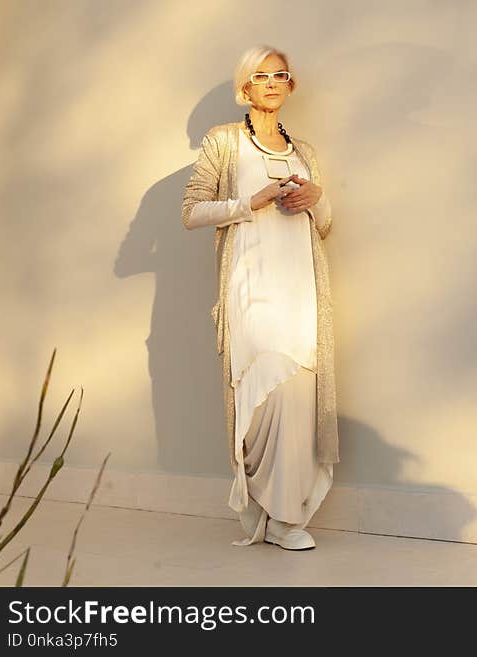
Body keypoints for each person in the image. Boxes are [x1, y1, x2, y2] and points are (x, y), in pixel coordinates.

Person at [181, 45, 340, 550]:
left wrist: (317, 199)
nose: (272, 82)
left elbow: (327, 224)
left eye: (281, 75)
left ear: (289, 86)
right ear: (244, 87)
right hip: (250, 286)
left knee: (297, 395)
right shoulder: (224, 142)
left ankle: (287, 518)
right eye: (261, 75)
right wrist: (251, 201)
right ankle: (260, 504)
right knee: (262, 389)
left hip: (299, 288)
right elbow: (192, 211)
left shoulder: (304, 152)